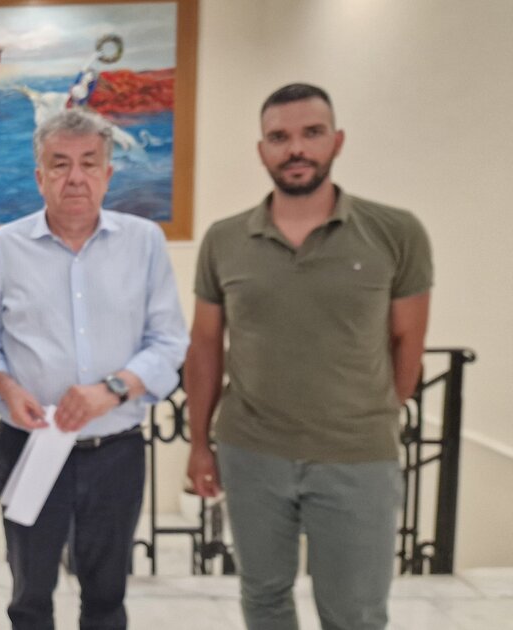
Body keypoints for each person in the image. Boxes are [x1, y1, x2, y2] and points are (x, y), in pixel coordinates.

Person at [185, 83, 432, 630]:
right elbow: (204, 347)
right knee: (263, 597)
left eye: (311, 133)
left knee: (355, 611)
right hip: (252, 452)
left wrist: (364, 415)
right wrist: (200, 445)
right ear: (262, 151)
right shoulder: (224, 240)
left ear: (336, 141)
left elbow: (407, 347)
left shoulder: (396, 233)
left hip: (356, 457)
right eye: (279, 137)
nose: (295, 148)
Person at [0, 108, 188, 630]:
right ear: (39, 176)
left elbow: (169, 340)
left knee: (106, 597)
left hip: (115, 451)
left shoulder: (144, 242)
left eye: (89, 163)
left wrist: (111, 390)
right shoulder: (4, 247)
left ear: (108, 174)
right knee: (29, 596)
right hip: (29, 447)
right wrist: (6, 385)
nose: (75, 177)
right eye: (60, 164)